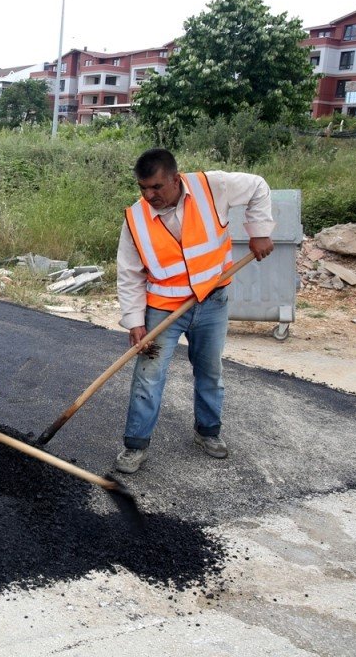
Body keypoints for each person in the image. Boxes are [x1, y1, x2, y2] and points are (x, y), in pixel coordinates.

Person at [114, 148, 274, 474]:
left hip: (212, 301)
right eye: (143, 188)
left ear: (175, 179)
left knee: (210, 372)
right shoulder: (136, 219)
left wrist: (259, 232)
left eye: (156, 187)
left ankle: (208, 432)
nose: (149, 195)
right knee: (148, 377)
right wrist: (134, 321)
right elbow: (129, 274)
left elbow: (258, 186)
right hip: (163, 309)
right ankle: (135, 446)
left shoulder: (212, 188)